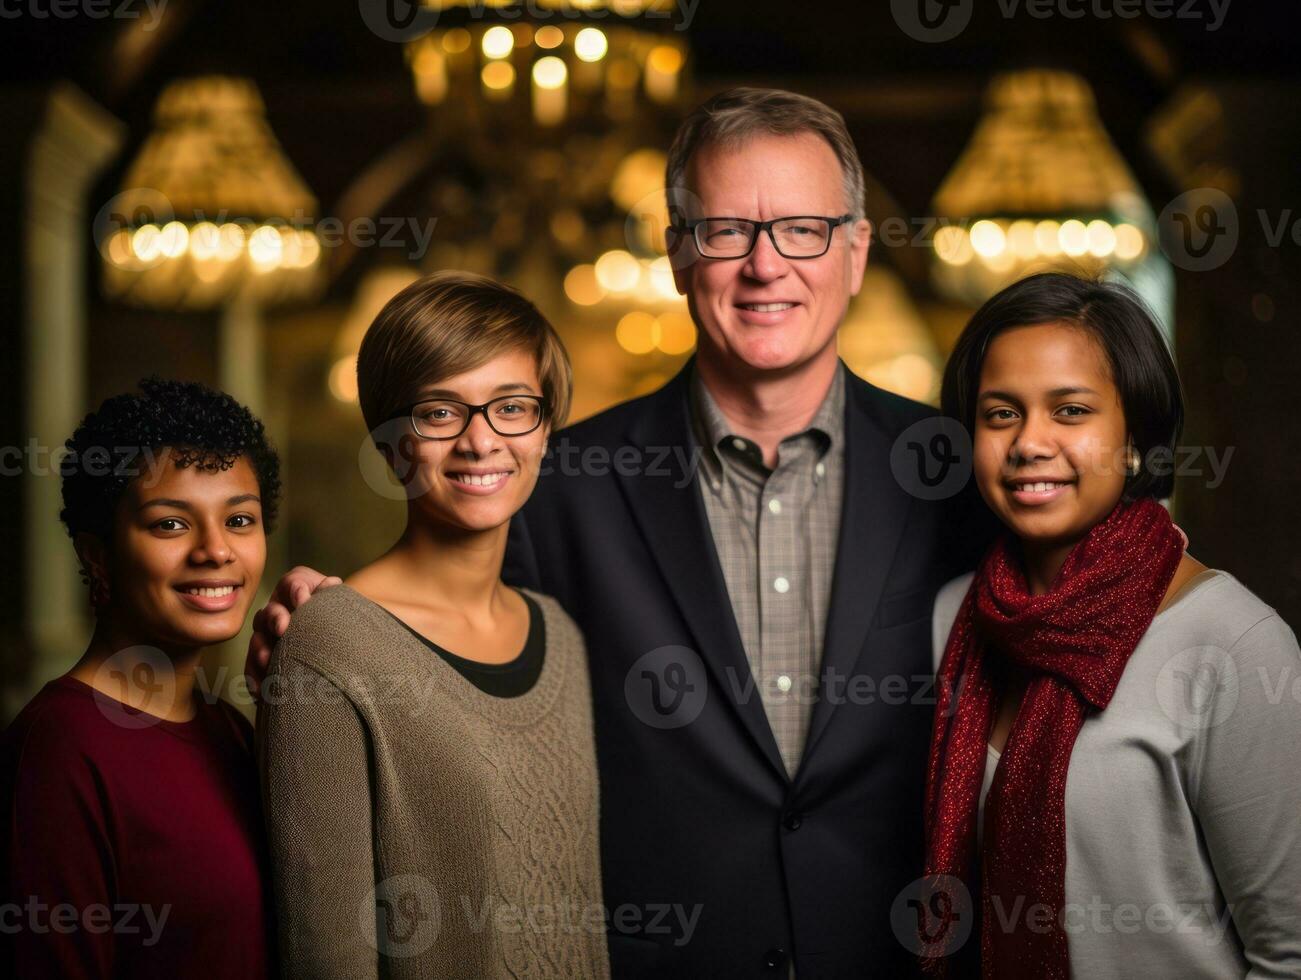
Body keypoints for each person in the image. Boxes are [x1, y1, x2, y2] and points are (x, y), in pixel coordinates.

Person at [247, 88, 991, 977]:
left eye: (803, 228)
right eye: (724, 231)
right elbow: (461, 662)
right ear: (678, 254)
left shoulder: (963, 476)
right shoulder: (555, 485)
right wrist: (336, 629)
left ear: (856, 252)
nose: (765, 266)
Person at [923, 272, 1301, 978]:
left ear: (1134, 440)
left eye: (1069, 411)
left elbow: (1289, 955)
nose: (1029, 442)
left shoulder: (1230, 645)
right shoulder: (952, 619)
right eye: (1000, 413)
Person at [257, 271, 609, 979]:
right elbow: (326, 958)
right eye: (439, 413)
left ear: (545, 430)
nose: (481, 442)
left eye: (512, 407)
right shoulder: (328, 646)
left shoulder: (562, 637)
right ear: (391, 444)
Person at [1, 377, 279, 979]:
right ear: (96, 555)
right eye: (170, 525)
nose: (216, 551)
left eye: (239, 519)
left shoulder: (231, 729)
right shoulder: (60, 751)